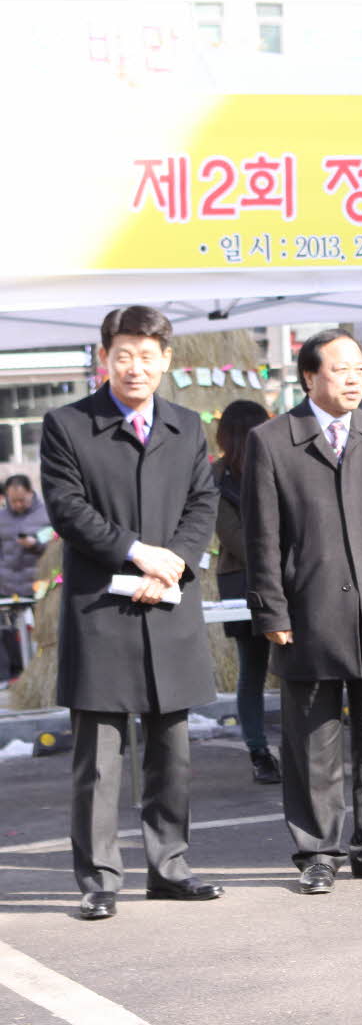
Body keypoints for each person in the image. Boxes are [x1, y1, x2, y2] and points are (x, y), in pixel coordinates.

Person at [41, 305, 224, 921]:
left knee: (173, 753)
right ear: (105, 357)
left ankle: (170, 868)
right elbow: (67, 508)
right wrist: (137, 552)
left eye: (148, 355)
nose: (136, 367)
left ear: (167, 360)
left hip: (168, 604)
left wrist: (174, 559)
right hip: (102, 611)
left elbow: (204, 501)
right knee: (100, 757)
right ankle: (98, 881)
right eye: (124, 354)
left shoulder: (186, 424)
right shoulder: (67, 424)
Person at [243, 328, 362, 894]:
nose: (353, 378)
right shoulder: (273, 440)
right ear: (308, 377)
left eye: (359, 369)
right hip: (306, 615)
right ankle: (317, 851)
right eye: (340, 369)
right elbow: (263, 537)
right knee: (312, 746)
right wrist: (271, 610)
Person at [212, 400, 281, 784]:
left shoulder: (276, 463)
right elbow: (232, 536)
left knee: (273, 668)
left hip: (266, 574)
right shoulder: (217, 476)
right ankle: (258, 751)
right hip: (244, 577)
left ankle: (271, 752)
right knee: (254, 668)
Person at [0, 474, 50, 682]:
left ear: (31, 493)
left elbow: (59, 542)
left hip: (40, 584)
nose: (18, 505)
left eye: (22, 500)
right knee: (9, 634)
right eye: (13, 501)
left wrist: (36, 543)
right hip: (8, 585)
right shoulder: (2, 518)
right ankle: (13, 676)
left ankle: (43, 676)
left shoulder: (48, 513)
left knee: (44, 633)